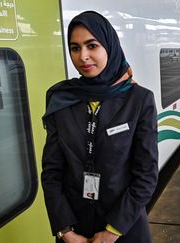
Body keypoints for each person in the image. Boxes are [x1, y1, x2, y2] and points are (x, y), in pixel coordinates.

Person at [41, 11, 158, 243]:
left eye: (92, 45)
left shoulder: (138, 100)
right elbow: (52, 173)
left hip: (125, 230)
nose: (83, 56)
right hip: (74, 230)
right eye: (75, 48)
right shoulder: (61, 99)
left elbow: (146, 175)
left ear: (109, 46)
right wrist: (65, 230)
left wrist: (112, 231)